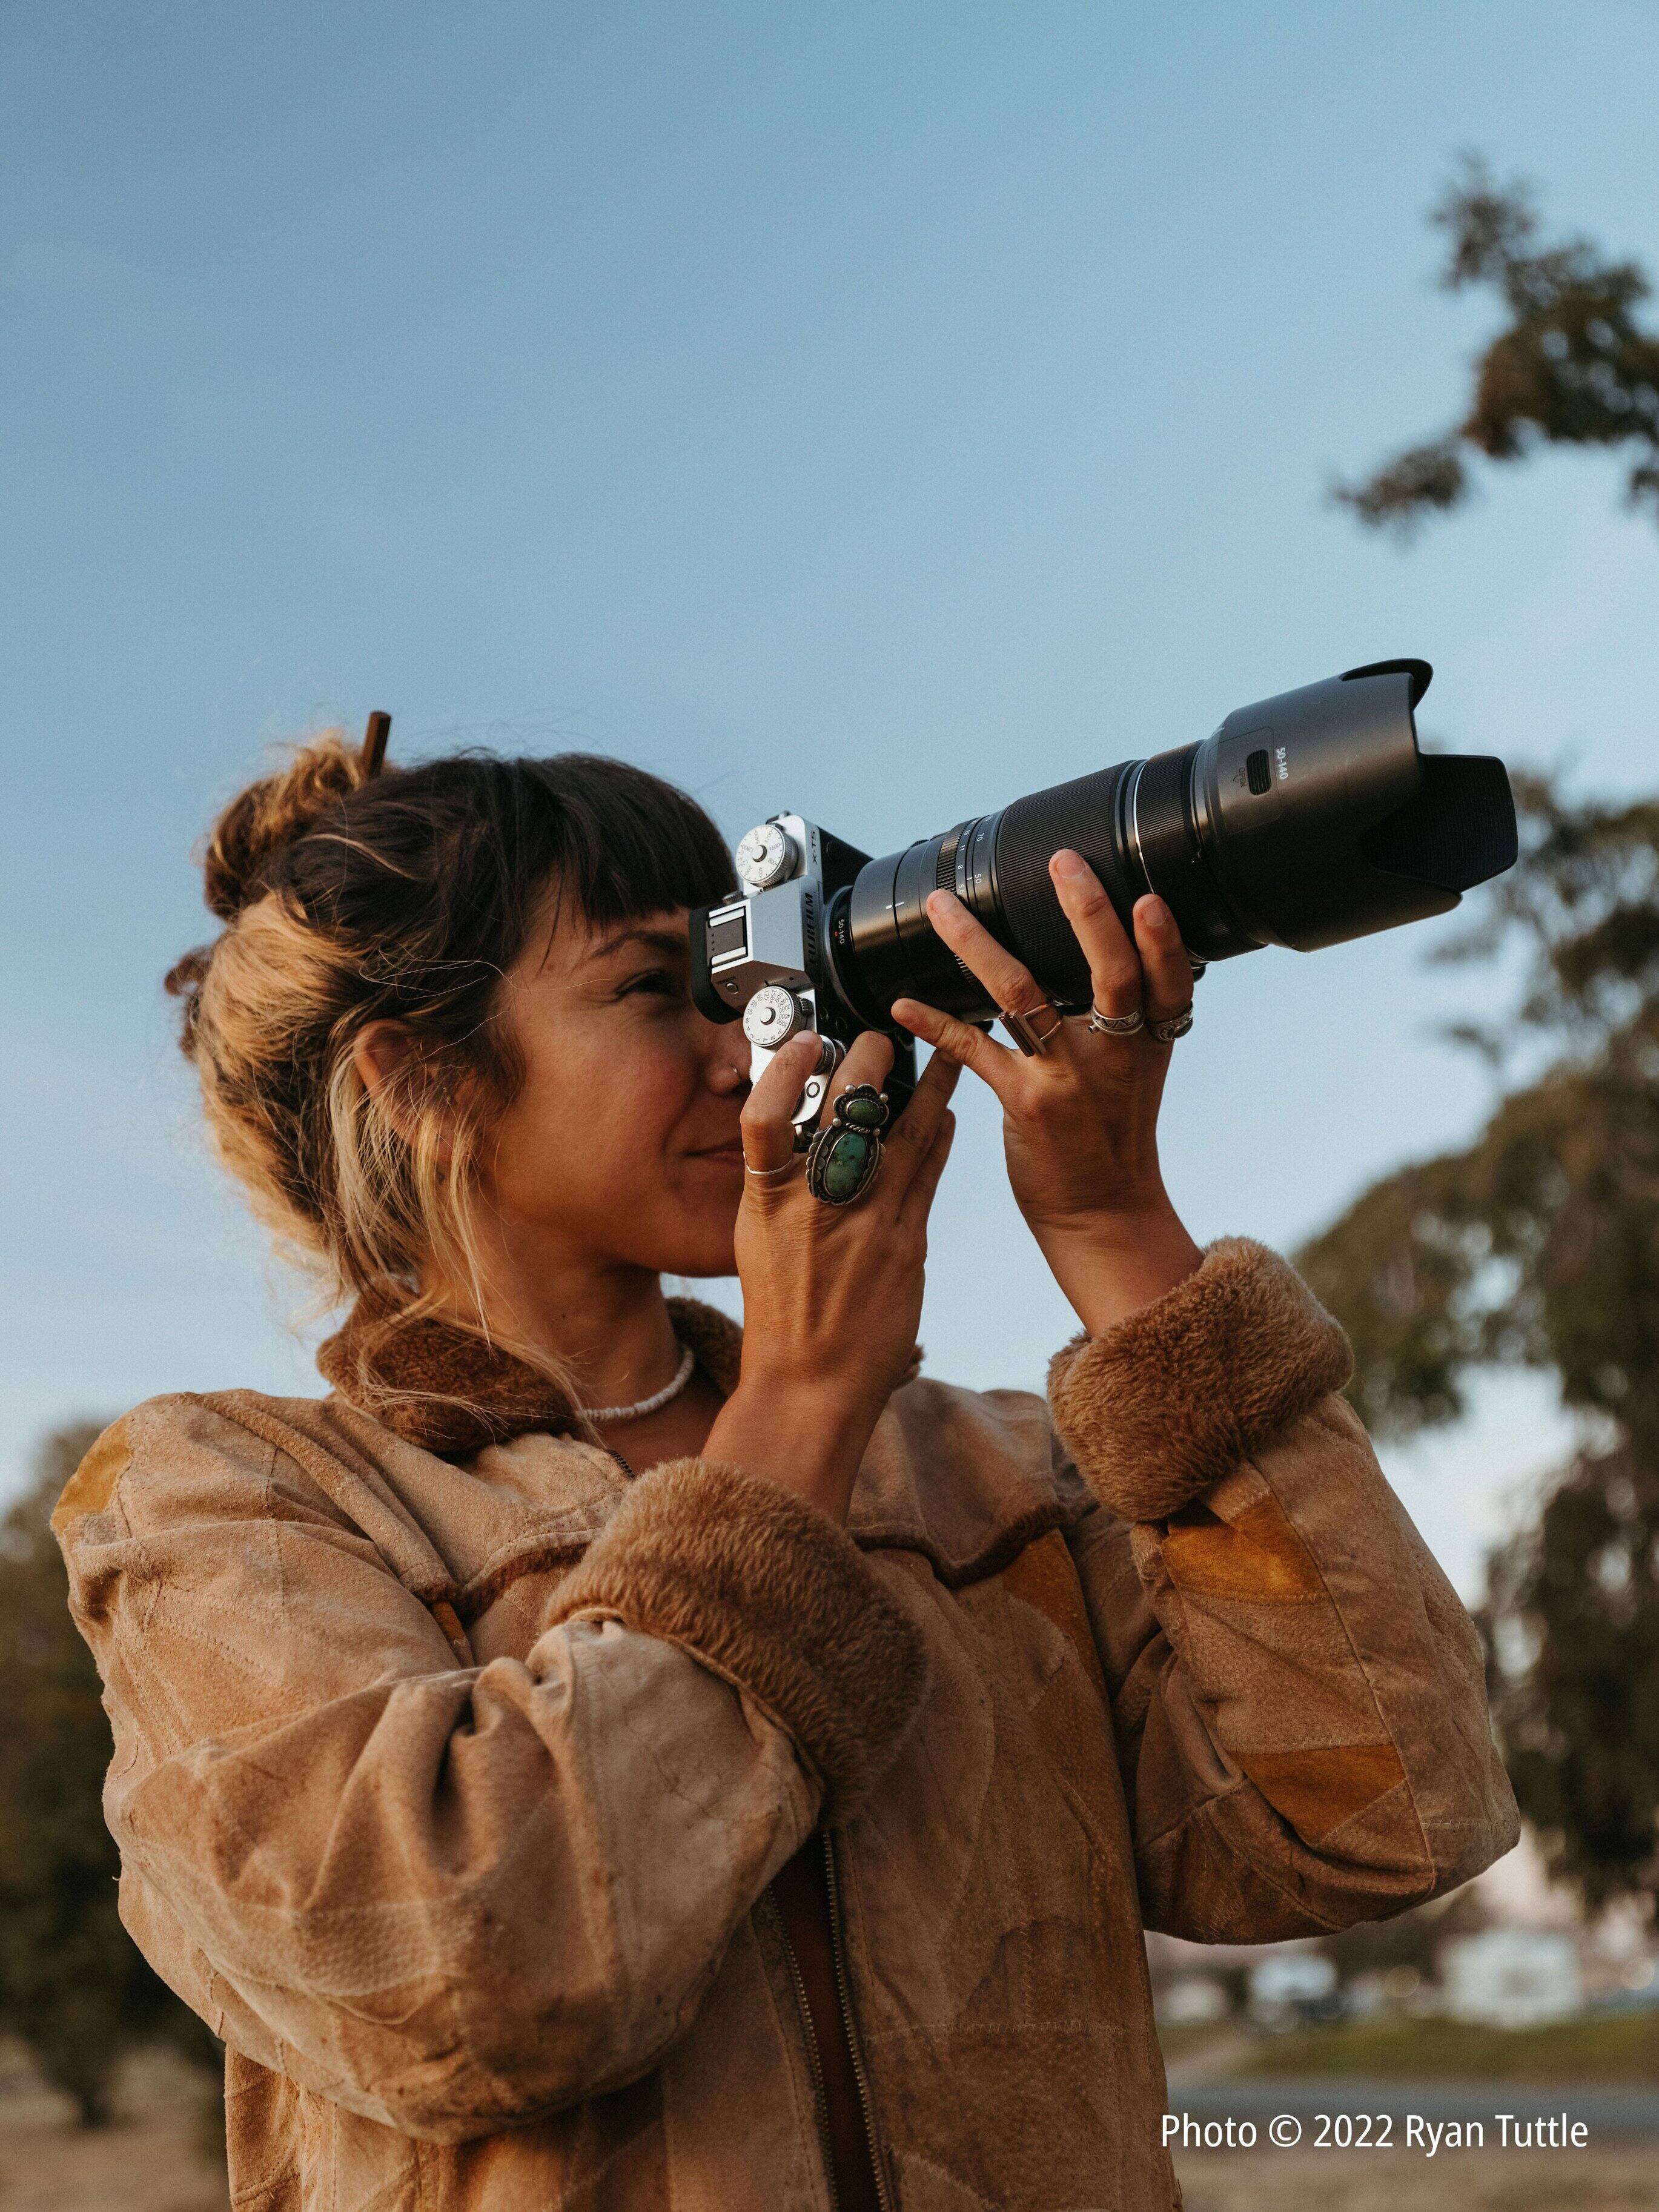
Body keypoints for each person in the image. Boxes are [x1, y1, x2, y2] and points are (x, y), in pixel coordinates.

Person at [55, 727, 1518, 2212]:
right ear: (423, 1081)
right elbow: (464, 1980)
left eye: (734, 989)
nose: (740, 1051)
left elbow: (1386, 1819)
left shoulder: (984, 1468)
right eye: (651, 991)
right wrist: (803, 1401)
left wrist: (1114, 1229)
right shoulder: (231, 1498)